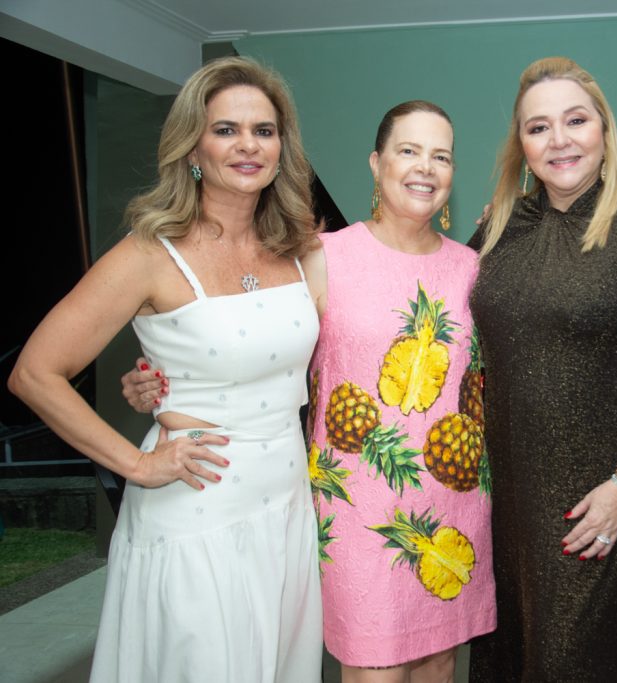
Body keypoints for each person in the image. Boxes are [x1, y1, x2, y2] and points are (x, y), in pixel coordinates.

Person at [124, 100, 497, 682]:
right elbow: (252, 347)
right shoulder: (320, 258)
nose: (425, 168)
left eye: (441, 156)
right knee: (375, 669)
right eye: (408, 151)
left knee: (440, 665)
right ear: (376, 164)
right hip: (358, 512)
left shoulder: (474, 269)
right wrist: (164, 380)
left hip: (453, 505)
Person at [9, 56, 324, 681]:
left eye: (263, 131)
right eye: (226, 130)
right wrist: (136, 464)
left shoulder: (300, 248)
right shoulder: (149, 252)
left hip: (287, 505)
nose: (247, 146)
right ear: (192, 148)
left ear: (281, 148)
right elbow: (34, 372)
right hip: (195, 508)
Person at [466, 56, 617, 681]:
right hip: (510, 503)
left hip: (601, 504)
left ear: (605, 130)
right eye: (538, 127)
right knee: (513, 658)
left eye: (576, 120)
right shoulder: (498, 228)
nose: (559, 140)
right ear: (521, 144)